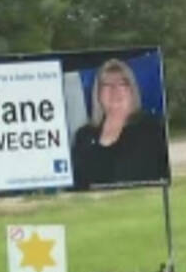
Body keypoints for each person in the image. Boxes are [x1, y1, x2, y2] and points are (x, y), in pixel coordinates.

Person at [71, 59, 169, 190]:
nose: (114, 90)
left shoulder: (153, 129)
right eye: (106, 85)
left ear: (132, 91)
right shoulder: (83, 136)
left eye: (122, 84)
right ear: (98, 94)